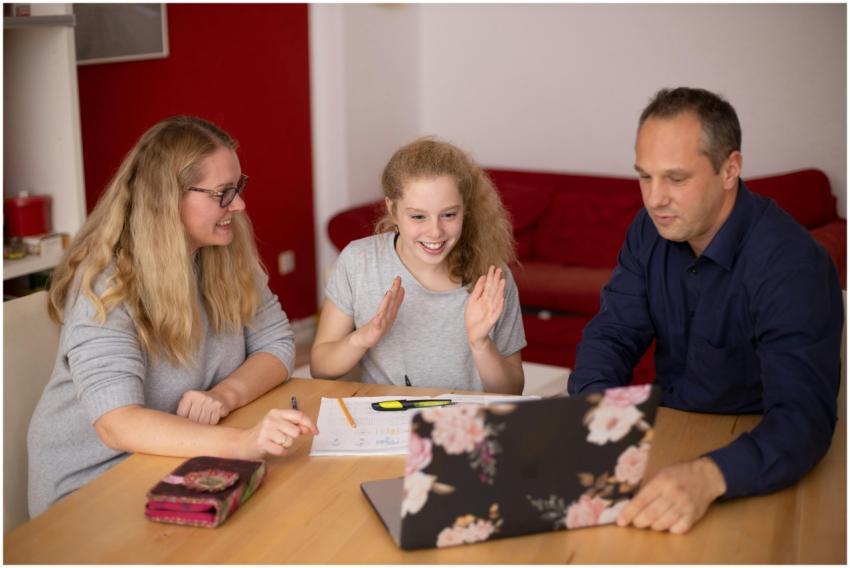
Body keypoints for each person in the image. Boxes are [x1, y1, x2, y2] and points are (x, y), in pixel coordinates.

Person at [569, 87, 843, 534]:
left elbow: (803, 420)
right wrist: (592, 411)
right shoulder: (649, 230)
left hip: (752, 459)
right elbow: (613, 333)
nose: (654, 199)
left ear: (730, 169)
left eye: (675, 179)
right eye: (644, 176)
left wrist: (708, 476)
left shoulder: (792, 264)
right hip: (669, 434)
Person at [28, 116, 318, 517]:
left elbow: (278, 344)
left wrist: (224, 396)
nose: (239, 204)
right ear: (168, 198)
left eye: (238, 187)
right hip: (93, 486)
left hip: (182, 458)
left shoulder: (225, 249)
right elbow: (117, 424)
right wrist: (242, 443)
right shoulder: (108, 283)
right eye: (223, 193)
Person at [310, 137, 526, 393]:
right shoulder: (359, 261)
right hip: (387, 422)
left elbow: (512, 390)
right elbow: (319, 366)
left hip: (463, 424)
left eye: (449, 215)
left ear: (465, 209)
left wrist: (481, 344)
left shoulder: (491, 276)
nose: (435, 231)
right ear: (393, 209)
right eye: (418, 216)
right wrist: (363, 337)